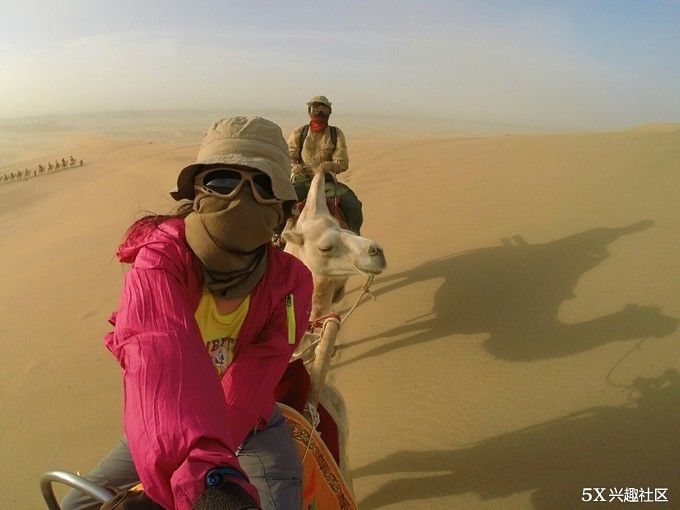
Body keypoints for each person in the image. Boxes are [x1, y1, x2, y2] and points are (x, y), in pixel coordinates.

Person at [61, 116, 314, 510]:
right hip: (168, 422)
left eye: (262, 186)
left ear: (282, 207)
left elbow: (256, 375)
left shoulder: (291, 282)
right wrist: (200, 476)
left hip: (252, 428)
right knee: (74, 504)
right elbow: (157, 353)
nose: (240, 199)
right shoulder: (160, 260)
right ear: (197, 191)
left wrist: (209, 480)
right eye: (224, 181)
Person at [287, 95, 364, 234]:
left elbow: (342, 162)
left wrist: (328, 166)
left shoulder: (335, 134)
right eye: (315, 109)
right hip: (301, 180)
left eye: (323, 110)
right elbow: (289, 155)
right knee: (283, 203)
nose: (319, 114)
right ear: (309, 111)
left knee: (353, 205)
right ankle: (276, 238)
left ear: (329, 112)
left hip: (326, 181)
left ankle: (354, 235)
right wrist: (294, 165)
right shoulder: (299, 132)